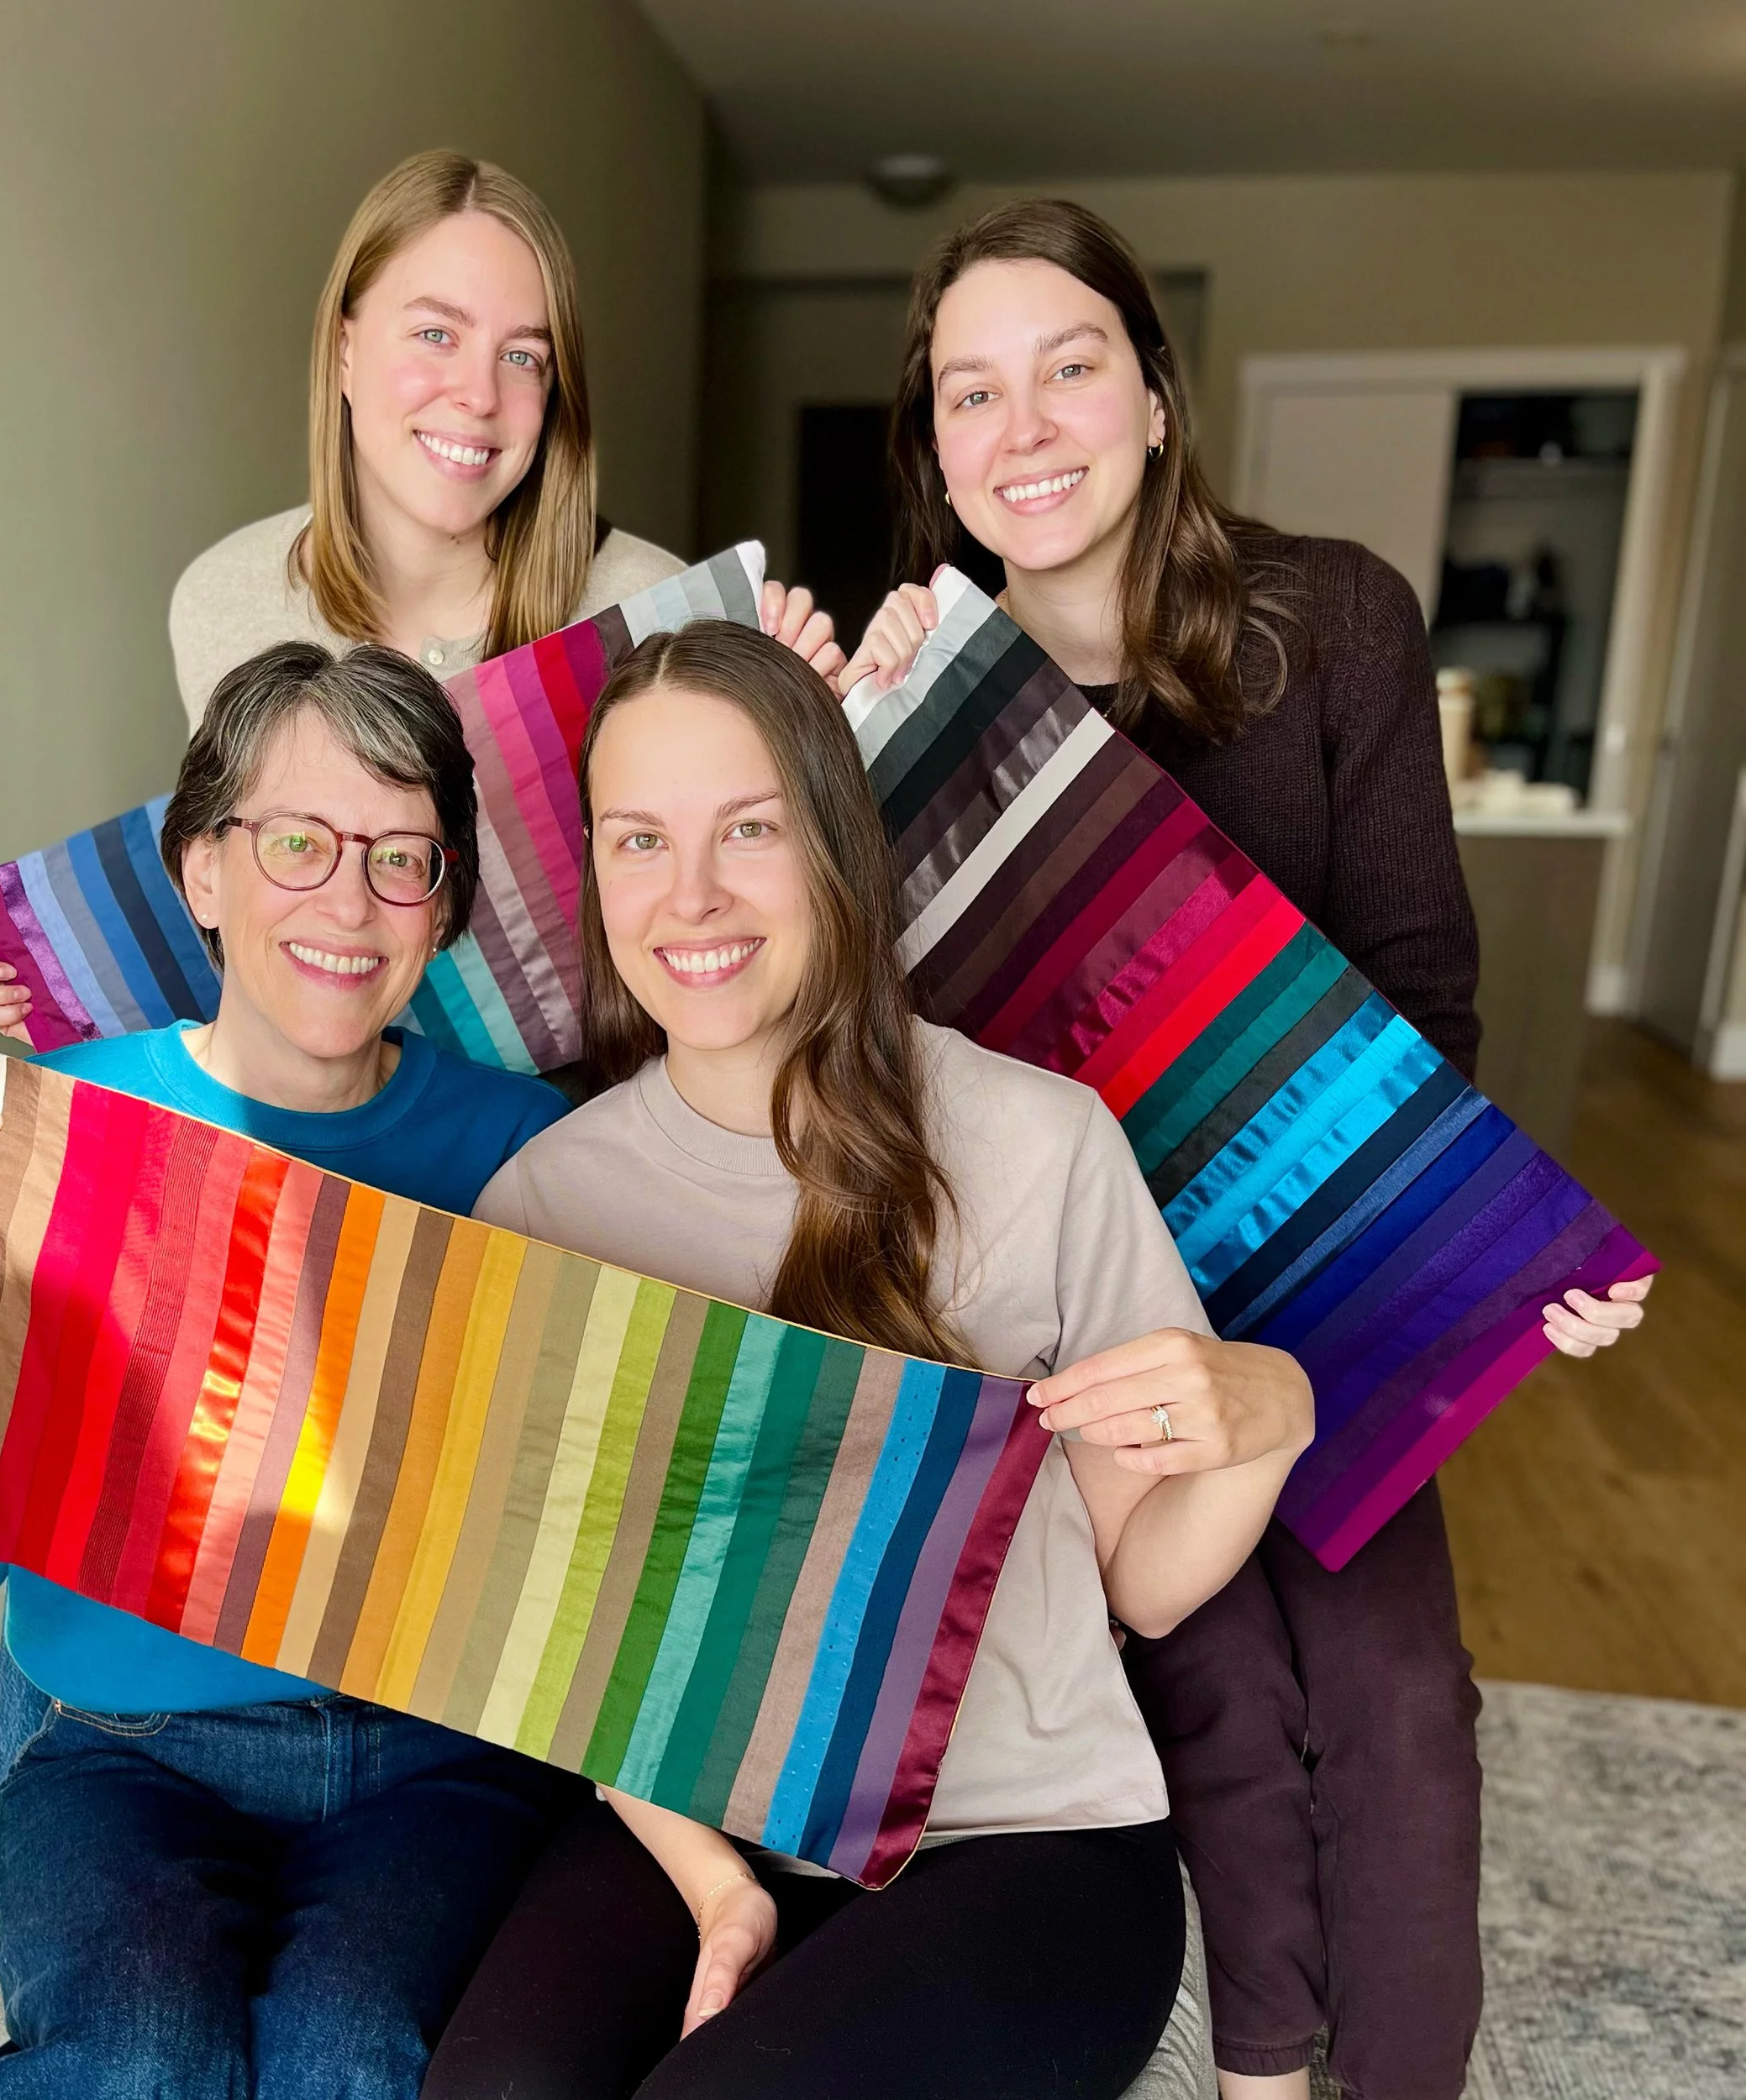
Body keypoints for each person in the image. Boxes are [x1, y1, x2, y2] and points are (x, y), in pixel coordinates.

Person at [834, 199, 1652, 2100]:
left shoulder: (1336, 621)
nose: (1025, 428)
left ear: (1154, 398)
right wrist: (856, 731)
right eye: (971, 393)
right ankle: (1265, 2073)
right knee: (1211, 1682)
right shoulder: (908, 713)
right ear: (933, 447)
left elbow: (1427, 994)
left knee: (1394, 1698)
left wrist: (1487, 1253)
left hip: (1321, 1282)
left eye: (1070, 369)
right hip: (1089, 1313)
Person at [419, 622, 1316, 2100]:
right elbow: (573, 1642)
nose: (692, 895)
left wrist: (1275, 1412)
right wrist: (719, 1888)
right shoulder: (545, 1204)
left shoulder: (1037, 1142)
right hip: (706, 1830)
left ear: (835, 844)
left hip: (1027, 1840)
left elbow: (1142, 1582)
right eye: (640, 840)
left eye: (749, 829)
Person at [0, 643, 584, 2097]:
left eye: (402, 859)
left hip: (436, 1768)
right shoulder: (67, 1128)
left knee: (350, 2063)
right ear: (203, 873)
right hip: (125, 1758)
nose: (349, 903)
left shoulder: (524, 1151)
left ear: (444, 910)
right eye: (297, 843)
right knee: (139, 2063)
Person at [0, 148, 841, 1043]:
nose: (479, 395)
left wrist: (810, 740)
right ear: (344, 349)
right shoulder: (224, 600)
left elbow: (736, 916)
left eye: (522, 357)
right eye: (435, 335)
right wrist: (60, 979)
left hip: (588, 1110)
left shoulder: (653, 610)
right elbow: (260, 896)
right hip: (338, 1115)